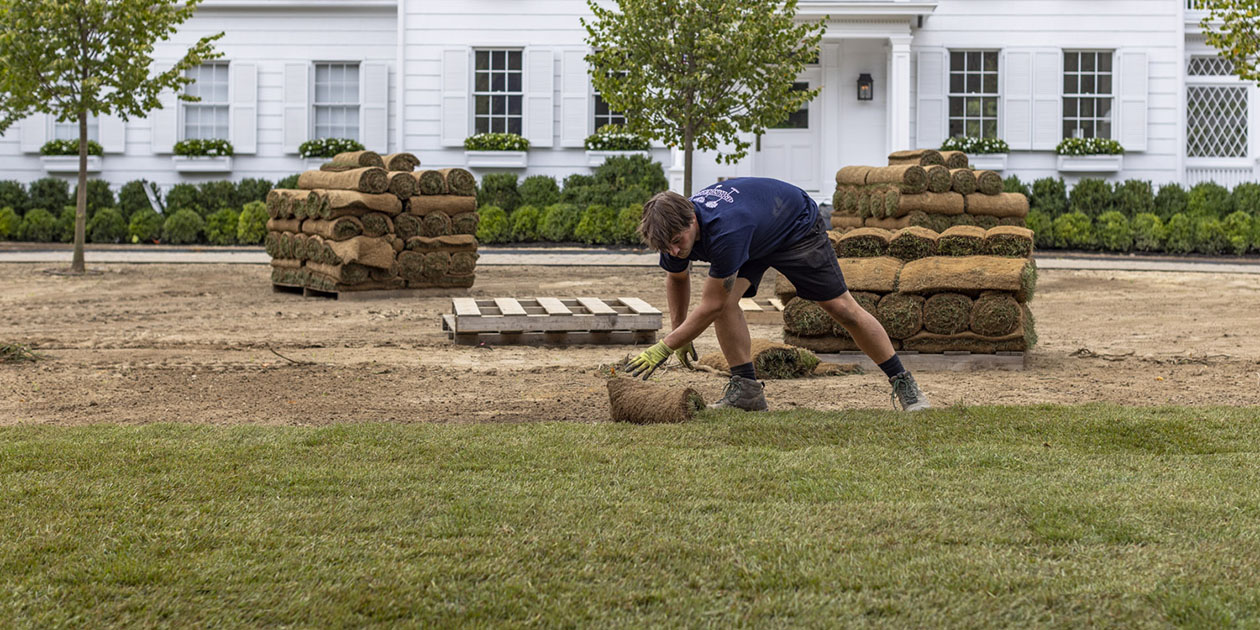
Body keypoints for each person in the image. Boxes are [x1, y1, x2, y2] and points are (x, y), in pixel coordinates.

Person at [625, 177, 930, 412]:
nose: (676, 251)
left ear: (692, 219)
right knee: (728, 303)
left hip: (794, 226)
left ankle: (903, 382)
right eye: (668, 248)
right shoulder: (671, 231)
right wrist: (680, 333)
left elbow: (710, 305)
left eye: (679, 242)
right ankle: (746, 391)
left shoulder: (725, 230)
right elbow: (677, 278)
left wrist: (663, 347)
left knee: (841, 308)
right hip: (756, 232)